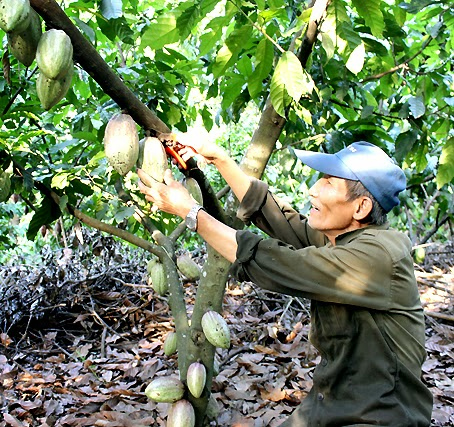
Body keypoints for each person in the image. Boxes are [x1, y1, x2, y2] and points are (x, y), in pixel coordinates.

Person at [138, 138, 433, 426]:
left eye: (329, 183)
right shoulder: (345, 240)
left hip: (380, 414)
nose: (313, 191)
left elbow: (280, 263)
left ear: (361, 207)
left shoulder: (375, 257)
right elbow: (282, 220)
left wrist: (191, 212)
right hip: (333, 402)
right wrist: (219, 158)